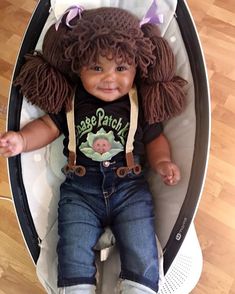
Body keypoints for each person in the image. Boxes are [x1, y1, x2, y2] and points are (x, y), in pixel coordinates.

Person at [0, 5, 186, 294]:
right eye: (96, 68)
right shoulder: (72, 100)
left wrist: (163, 162)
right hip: (80, 191)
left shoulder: (140, 103)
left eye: (121, 68)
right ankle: (76, 287)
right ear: (79, 67)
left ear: (137, 67)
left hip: (129, 190)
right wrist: (22, 140)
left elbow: (154, 139)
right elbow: (49, 126)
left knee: (141, 244)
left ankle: (139, 285)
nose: (109, 78)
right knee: (73, 245)